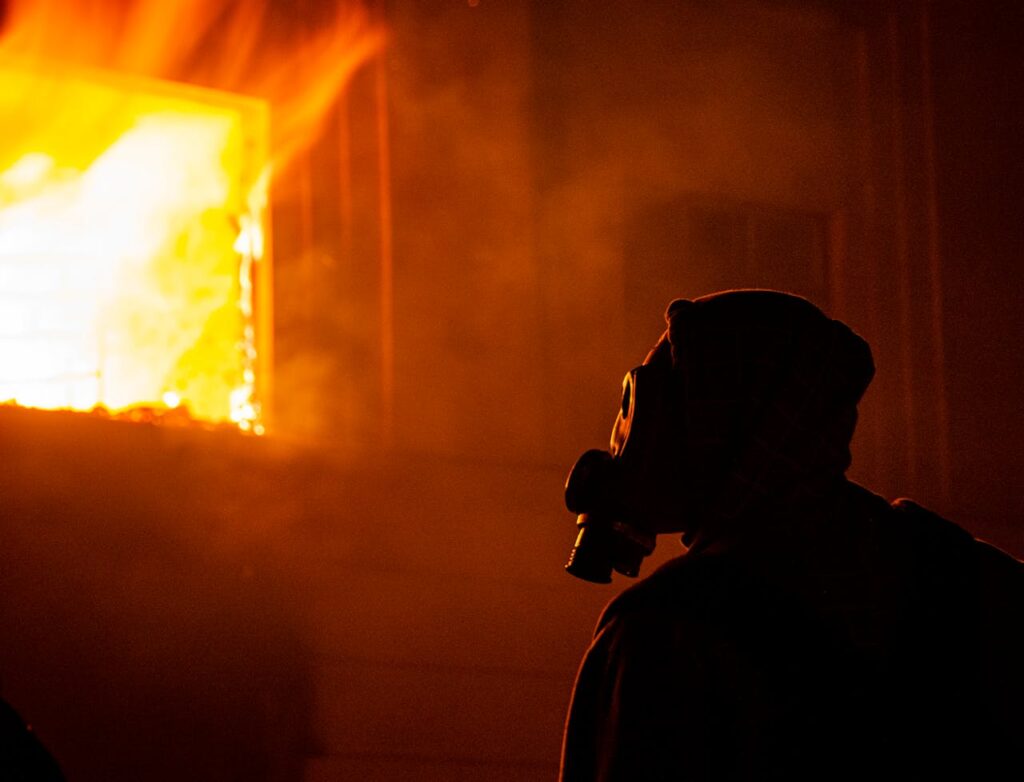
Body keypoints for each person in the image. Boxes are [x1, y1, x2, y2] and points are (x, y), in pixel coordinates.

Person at [559, 290, 1023, 782]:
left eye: (665, 402)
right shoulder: (966, 577)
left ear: (721, 421)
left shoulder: (663, 631)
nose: (631, 436)